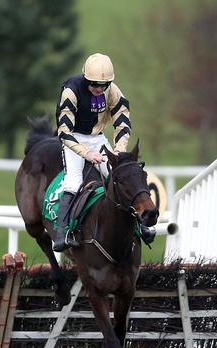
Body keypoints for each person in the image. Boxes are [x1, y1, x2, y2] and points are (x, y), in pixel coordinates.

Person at [52, 53, 153, 252]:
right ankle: (62, 234)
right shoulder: (71, 91)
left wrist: (119, 150)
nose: (99, 89)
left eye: (103, 85)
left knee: (118, 174)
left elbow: (123, 120)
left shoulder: (112, 90)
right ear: (86, 79)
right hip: (73, 137)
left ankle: (141, 226)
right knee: (73, 182)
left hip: (97, 137)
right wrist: (87, 154)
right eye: (94, 84)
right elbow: (64, 131)